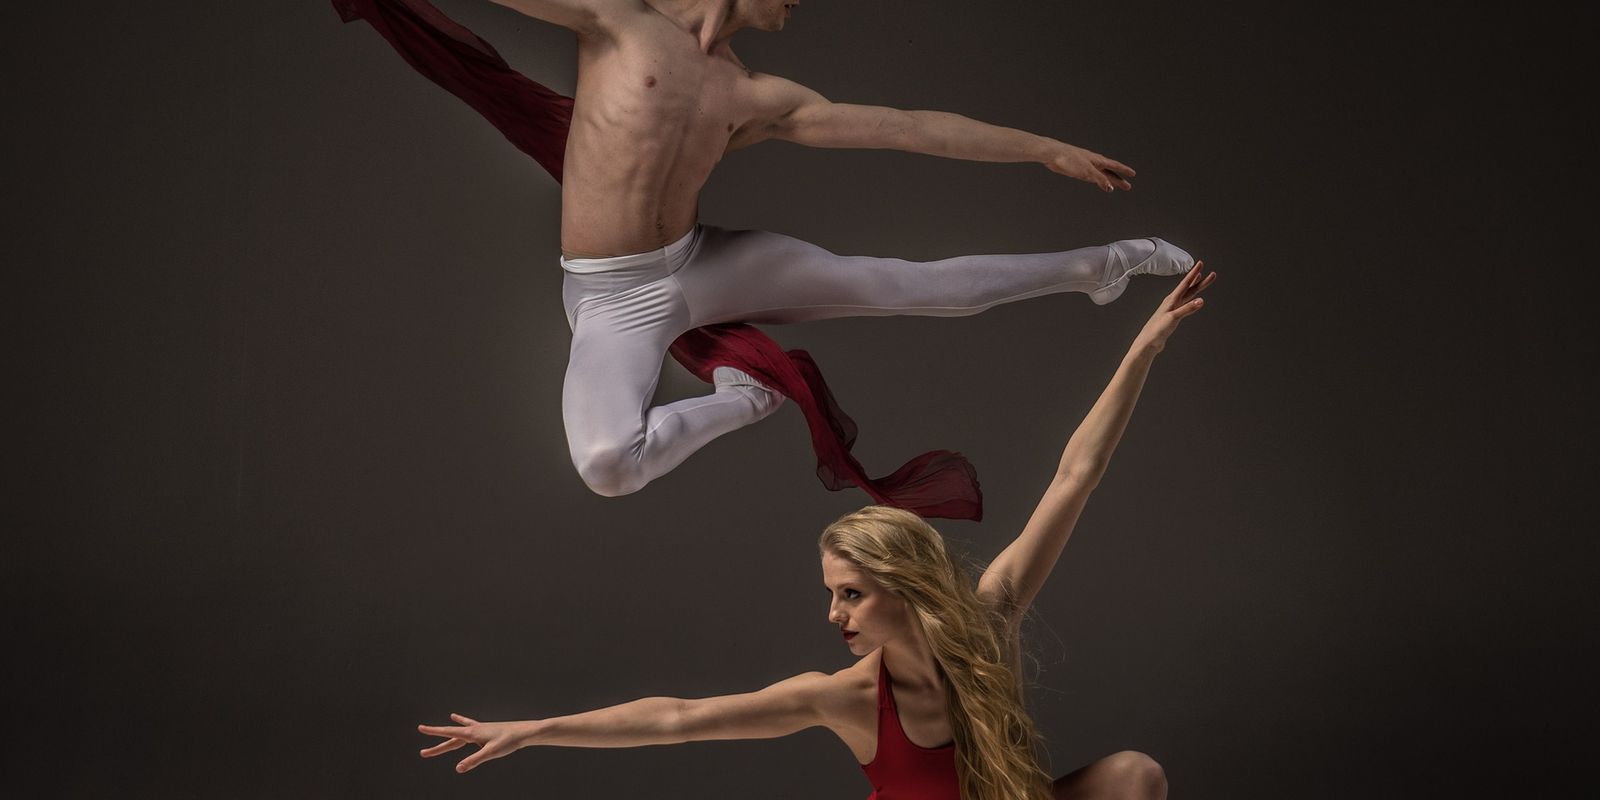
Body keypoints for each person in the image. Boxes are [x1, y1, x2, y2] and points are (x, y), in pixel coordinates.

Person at [332, 0, 1194, 517]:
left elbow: (913, 128)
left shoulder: (760, 96)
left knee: (906, 286)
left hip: (704, 263)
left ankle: (1102, 266)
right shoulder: (617, 20)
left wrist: (1043, 148)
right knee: (606, 464)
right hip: (615, 299)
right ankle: (745, 401)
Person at [416, 263, 1216, 799]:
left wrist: (1142, 350)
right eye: (834, 595)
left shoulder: (991, 615)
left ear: (906, 588)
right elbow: (680, 717)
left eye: (851, 594)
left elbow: (1075, 475)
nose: (834, 615)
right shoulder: (847, 698)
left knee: (1133, 777)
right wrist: (537, 731)